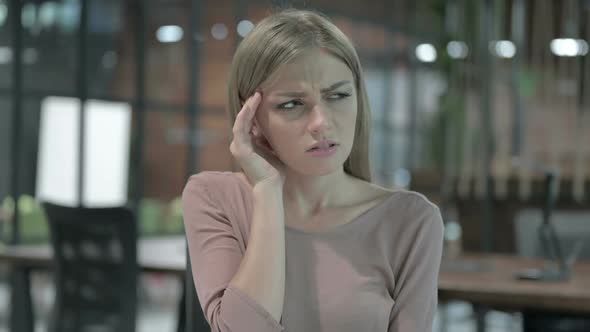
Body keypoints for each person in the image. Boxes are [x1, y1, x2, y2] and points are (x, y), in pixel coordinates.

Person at [182, 8, 444, 332]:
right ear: (251, 118)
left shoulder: (411, 221)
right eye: (292, 104)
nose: (321, 122)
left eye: (338, 96)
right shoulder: (213, 198)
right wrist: (266, 191)